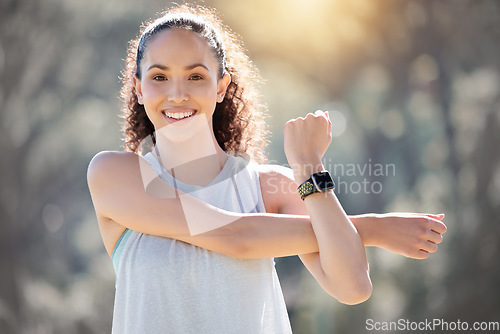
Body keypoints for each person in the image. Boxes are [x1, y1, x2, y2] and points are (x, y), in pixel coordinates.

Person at [86, 4, 447, 333]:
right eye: (159, 77)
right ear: (138, 88)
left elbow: (352, 286)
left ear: (221, 86)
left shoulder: (271, 187)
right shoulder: (114, 175)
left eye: (195, 76)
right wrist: (371, 228)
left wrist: (308, 165)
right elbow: (235, 237)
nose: (177, 93)